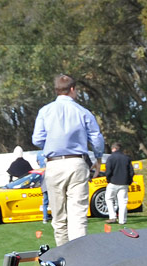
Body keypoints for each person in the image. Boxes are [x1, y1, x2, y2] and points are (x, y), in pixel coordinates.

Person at [32, 73, 105, 246]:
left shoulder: (45, 111)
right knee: (78, 215)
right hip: (76, 162)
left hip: (54, 164)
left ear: (56, 90)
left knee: (59, 218)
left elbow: (37, 139)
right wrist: (98, 158)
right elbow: (96, 137)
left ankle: (62, 260)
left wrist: (51, 144)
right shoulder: (83, 112)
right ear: (72, 89)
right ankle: (79, 258)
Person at [103, 143, 134, 225]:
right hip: (124, 183)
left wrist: (108, 179)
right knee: (123, 202)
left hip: (113, 182)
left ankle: (112, 217)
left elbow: (108, 171)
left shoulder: (111, 158)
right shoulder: (127, 158)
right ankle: (122, 220)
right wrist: (129, 181)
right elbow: (131, 172)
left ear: (113, 149)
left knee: (109, 199)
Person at [36, 151, 50, 223]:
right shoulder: (50, 169)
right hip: (51, 185)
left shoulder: (41, 170)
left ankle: (45, 217)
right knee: (54, 202)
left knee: (45, 202)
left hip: (44, 186)